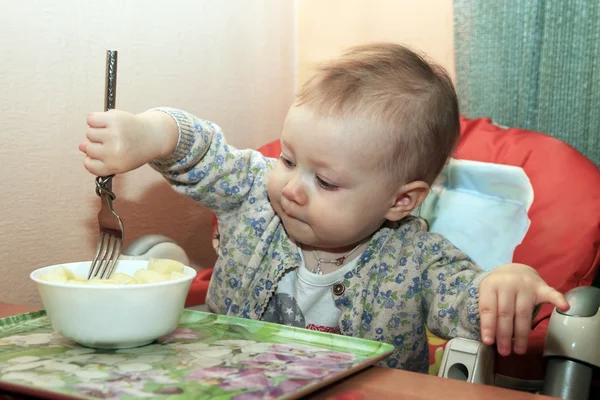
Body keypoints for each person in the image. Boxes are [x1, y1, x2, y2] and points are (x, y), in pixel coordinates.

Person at [79, 43, 568, 372]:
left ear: (400, 201)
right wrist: (152, 133)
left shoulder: (417, 258)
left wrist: (503, 286)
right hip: (229, 380)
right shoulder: (254, 197)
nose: (292, 187)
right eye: (289, 160)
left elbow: (465, 300)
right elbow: (205, 152)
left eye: (327, 181)